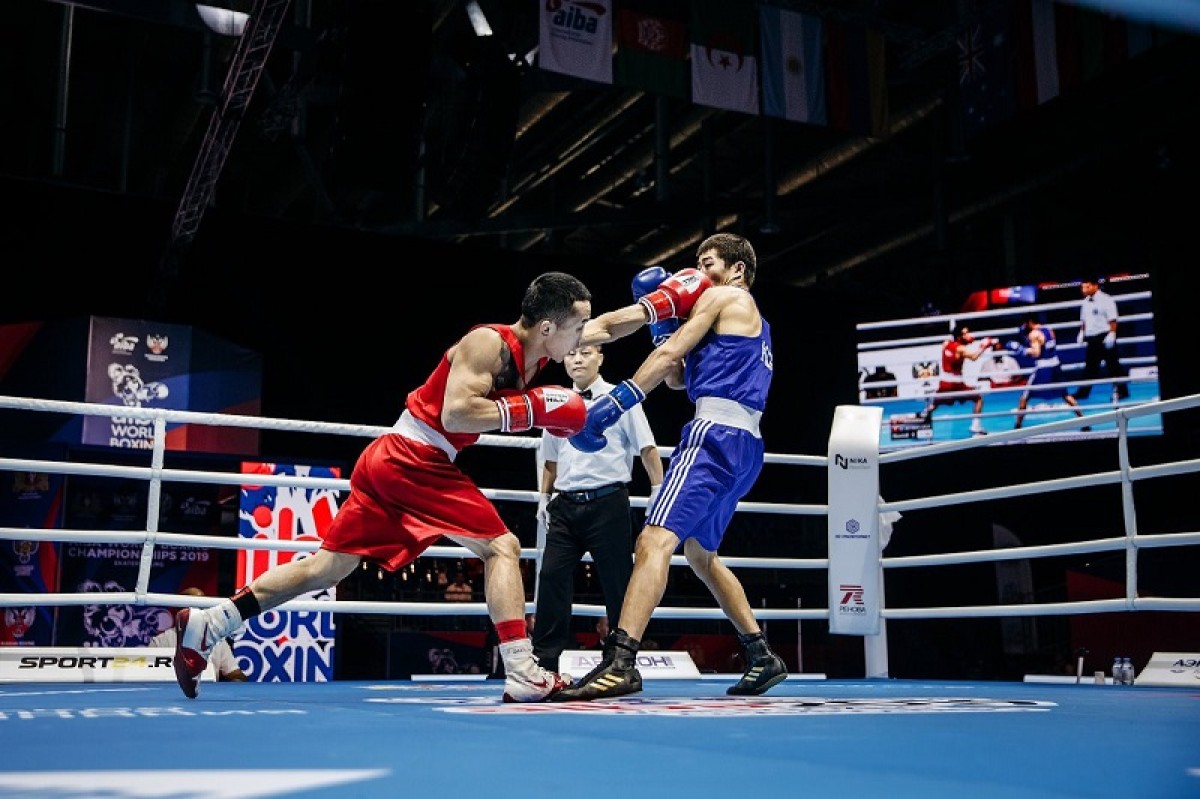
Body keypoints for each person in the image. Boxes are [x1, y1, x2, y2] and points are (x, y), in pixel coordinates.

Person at [171, 271, 648, 704]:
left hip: (396, 459)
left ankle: (211, 623)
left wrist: (662, 306)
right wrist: (532, 409)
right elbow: (455, 414)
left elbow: (608, 326)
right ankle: (523, 670)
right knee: (501, 546)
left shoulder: (545, 345)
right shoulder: (488, 343)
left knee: (326, 568)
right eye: (576, 327)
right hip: (413, 457)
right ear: (547, 327)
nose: (583, 338)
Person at [553, 232, 788, 701]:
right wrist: (662, 328)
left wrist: (614, 404)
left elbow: (666, 358)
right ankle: (761, 654)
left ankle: (621, 662)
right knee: (701, 555)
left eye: (708, 262)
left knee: (653, 540)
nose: (699, 272)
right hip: (746, 445)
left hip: (713, 436)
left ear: (737, 269)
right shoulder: (746, 319)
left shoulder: (725, 296)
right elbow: (679, 378)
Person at [532, 343, 664, 673]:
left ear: (600, 358)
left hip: (608, 504)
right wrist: (544, 497)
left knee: (617, 584)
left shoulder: (622, 398)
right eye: (572, 353)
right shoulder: (557, 402)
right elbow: (551, 459)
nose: (577, 359)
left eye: (586, 352)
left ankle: (620, 662)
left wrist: (658, 489)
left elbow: (647, 448)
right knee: (550, 577)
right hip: (565, 505)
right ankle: (545, 663)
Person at [1005, 315, 1087, 430]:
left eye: (1025, 324)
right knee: (1066, 395)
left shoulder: (1034, 334)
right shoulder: (1049, 330)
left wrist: (1020, 349)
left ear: (1029, 322)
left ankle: (1017, 426)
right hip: (1055, 365)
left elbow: (1036, 352)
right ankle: (1084, 421)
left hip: (1043, 367)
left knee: (1024, 397)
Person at [150, 588, 247, 683]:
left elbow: (235, 674)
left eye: (202, 608)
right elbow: (147, 675)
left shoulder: (218, 641)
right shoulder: (160, 641)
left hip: (209, 692)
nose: (199, 612)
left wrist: (235, 683)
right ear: (181, 611)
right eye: (194, 608)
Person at [917, 324, 997, 436]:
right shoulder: (961, 349)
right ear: (959, 336)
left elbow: (955, 349)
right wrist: (983, 346)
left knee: (936, 403)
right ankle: (975, 426)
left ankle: (924, 415)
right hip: (956, 384)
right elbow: (974, 357)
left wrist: (967, 341)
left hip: (944, 382)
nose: (968, 335)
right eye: (965, 333)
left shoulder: (946, 343)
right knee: (978, 398)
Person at [1073, 277, 1128, 402]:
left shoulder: (1106, 299)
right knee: (1090, 367)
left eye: (1087, 286)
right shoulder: (1085, 302)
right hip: (1092, 338)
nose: (1084, 289)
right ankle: (1083, 393)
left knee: (1113, 366)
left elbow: (1113, 319)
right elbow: (1084, 320)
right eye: (1083, 287)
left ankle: (1122, 391)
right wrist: (1081, 332)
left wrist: (1112, 333)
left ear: (1095, 286)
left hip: (1104, 336)